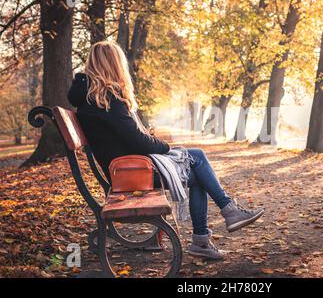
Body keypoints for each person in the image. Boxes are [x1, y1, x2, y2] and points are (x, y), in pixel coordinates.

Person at [67, 41, 264, 260]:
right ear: (114, 65)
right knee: (197, 161)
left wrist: (162, 147)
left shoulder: (92, 98)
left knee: (197, 159)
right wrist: (167, 147)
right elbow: (138, 142)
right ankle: (221, 219)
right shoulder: (107, 99)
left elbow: (130, 139)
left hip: (128, 168)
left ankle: (215, 226)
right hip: (131, 173)